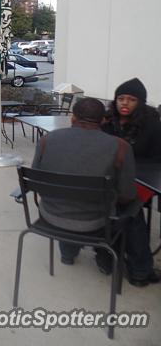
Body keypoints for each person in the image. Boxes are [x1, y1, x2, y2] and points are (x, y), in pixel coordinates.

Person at [32, 97, 159, 287]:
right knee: (133, 207)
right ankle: (136, 269)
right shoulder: (120, 148)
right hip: (96, 223)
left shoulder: (46, 140)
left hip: (50, 216)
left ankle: (68, 253)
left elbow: (36, 182)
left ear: (72, 117)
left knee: (68, 196)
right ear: (102, 121)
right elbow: (126, 195)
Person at [102, 78, 161, 164]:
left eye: (132, 99)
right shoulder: (106, 120)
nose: (125, 103)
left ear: (140, 103)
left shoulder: (152, 125)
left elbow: (156, 159)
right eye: (121, 99)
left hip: (139, 173)